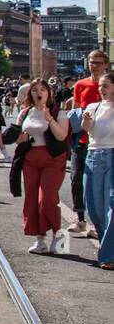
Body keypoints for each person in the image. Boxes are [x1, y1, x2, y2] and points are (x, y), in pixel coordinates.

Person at [12, 79, 70, 254]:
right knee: (31, 198)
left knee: (47, 198)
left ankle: (58, 236)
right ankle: (40, 239)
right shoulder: (25, 112)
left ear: (49, 93)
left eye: (43, 89)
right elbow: (18, 136)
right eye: (35, 90)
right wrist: (19, 139)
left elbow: (61, 136)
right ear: (30, 94)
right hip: (31, 159)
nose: (39, 93)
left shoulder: (58, 113)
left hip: (52, 159)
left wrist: (50, 119)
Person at [67, 50, 108, 238]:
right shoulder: (81, 85)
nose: (94, 65)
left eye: (98, 62)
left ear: (106, 64)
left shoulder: (110, 85)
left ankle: (96, 223)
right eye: (91, 62)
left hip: (103, 143)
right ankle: (80, 218)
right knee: (76, 178)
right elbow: (75, 112)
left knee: (99, 186)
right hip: (82, 140)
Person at [81, 71, 114, 269]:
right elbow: (87, 128)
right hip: (93, 157)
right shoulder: (94, 107)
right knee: (94, 206)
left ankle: (107, 255)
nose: (101, 90)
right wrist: (86, 119)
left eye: (106, 86)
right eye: (100, 86)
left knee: (112, 206)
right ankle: (107, 245)